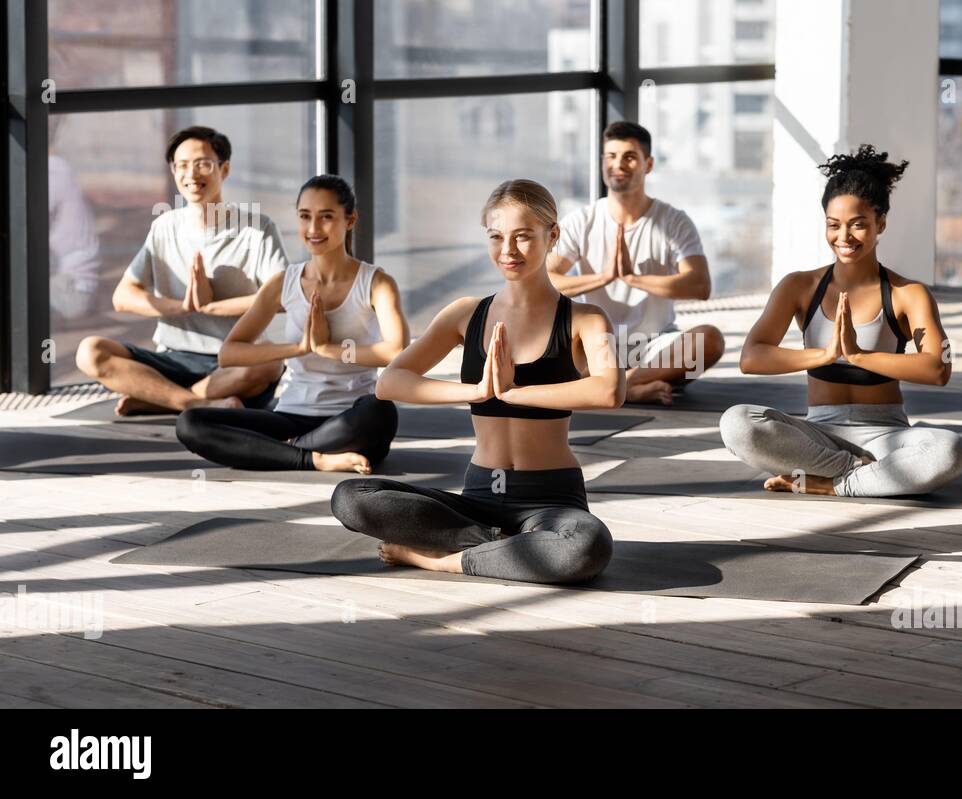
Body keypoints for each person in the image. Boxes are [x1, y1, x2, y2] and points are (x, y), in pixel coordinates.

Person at [330, 179, 623, 584]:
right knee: (351, 498)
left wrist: (513, 393)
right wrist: (476, 392)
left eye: (523, 237)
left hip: (552, 500)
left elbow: (609, 389)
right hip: (480, 497)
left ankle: (445, 559)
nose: (508, 251)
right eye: (497, 237)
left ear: (552, 235)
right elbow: (390, 382)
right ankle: (500, 544)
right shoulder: (465, 314)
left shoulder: (585, 319)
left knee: (586, 547)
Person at [719, 145, 962, 497]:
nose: (844, 237)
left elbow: (938, 370)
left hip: (888, 435)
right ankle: (860, 475)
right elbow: (751, 357)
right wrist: (824, 355)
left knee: (951, 450)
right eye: (834, 225)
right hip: (817, 437)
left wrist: (859, 356)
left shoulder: (908, 293)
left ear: (880, 223)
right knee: (737, 424)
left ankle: (833, 484)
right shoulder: (799, 286)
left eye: (858, 225)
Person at [175, 175, 407, 473]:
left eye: (326, 217)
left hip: (351, 415)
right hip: (291, 414)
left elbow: (396, 350)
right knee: (191, 422)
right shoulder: (283, 283)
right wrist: (297, 348)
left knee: (381, 411)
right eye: (305, 216)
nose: (313, 229)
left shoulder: (376, 282)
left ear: (350, 220)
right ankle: (314, 457)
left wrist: (328, 349)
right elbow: (230, 353)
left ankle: (277, 451)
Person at [75, 126, 288, 415]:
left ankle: (162, 398)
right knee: (90, 351)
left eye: (202, 164)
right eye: (183, 166)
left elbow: (282, 297)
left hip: (232, 362)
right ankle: (194, 402)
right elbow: (123, 296)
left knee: (271, 362)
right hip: (172, 361)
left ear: (224, 169)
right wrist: (182, 307)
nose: (192, 174)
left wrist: (213, 307)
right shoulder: (165, 226)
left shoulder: (258, 228)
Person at [547, 120, 725, 405]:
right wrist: (603, 277)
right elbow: (547, 281)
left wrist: (634, 278)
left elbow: (700, 285)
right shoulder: (582, 221)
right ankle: (628, 389)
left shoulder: (673, 221)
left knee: (710, 341)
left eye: (629, 157)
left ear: (648, 164)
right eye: (611, 156)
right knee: (547, 339)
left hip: (656, 347)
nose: (619, 164)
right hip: (596, 346)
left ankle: (622, 386)